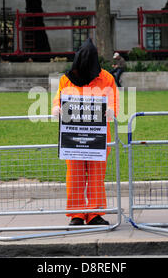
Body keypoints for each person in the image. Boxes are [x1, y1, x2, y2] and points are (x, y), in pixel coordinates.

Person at [52, 38, 119, 226]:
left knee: (97, 176)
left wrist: (112, 111)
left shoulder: (106, 78)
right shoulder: (66, 79)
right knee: (75, 176)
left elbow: (113, 102)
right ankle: (77, 215)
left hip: (98, 138)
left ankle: (95, 214)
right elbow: (59, 99)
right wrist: (56, 108)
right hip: (73, 139)